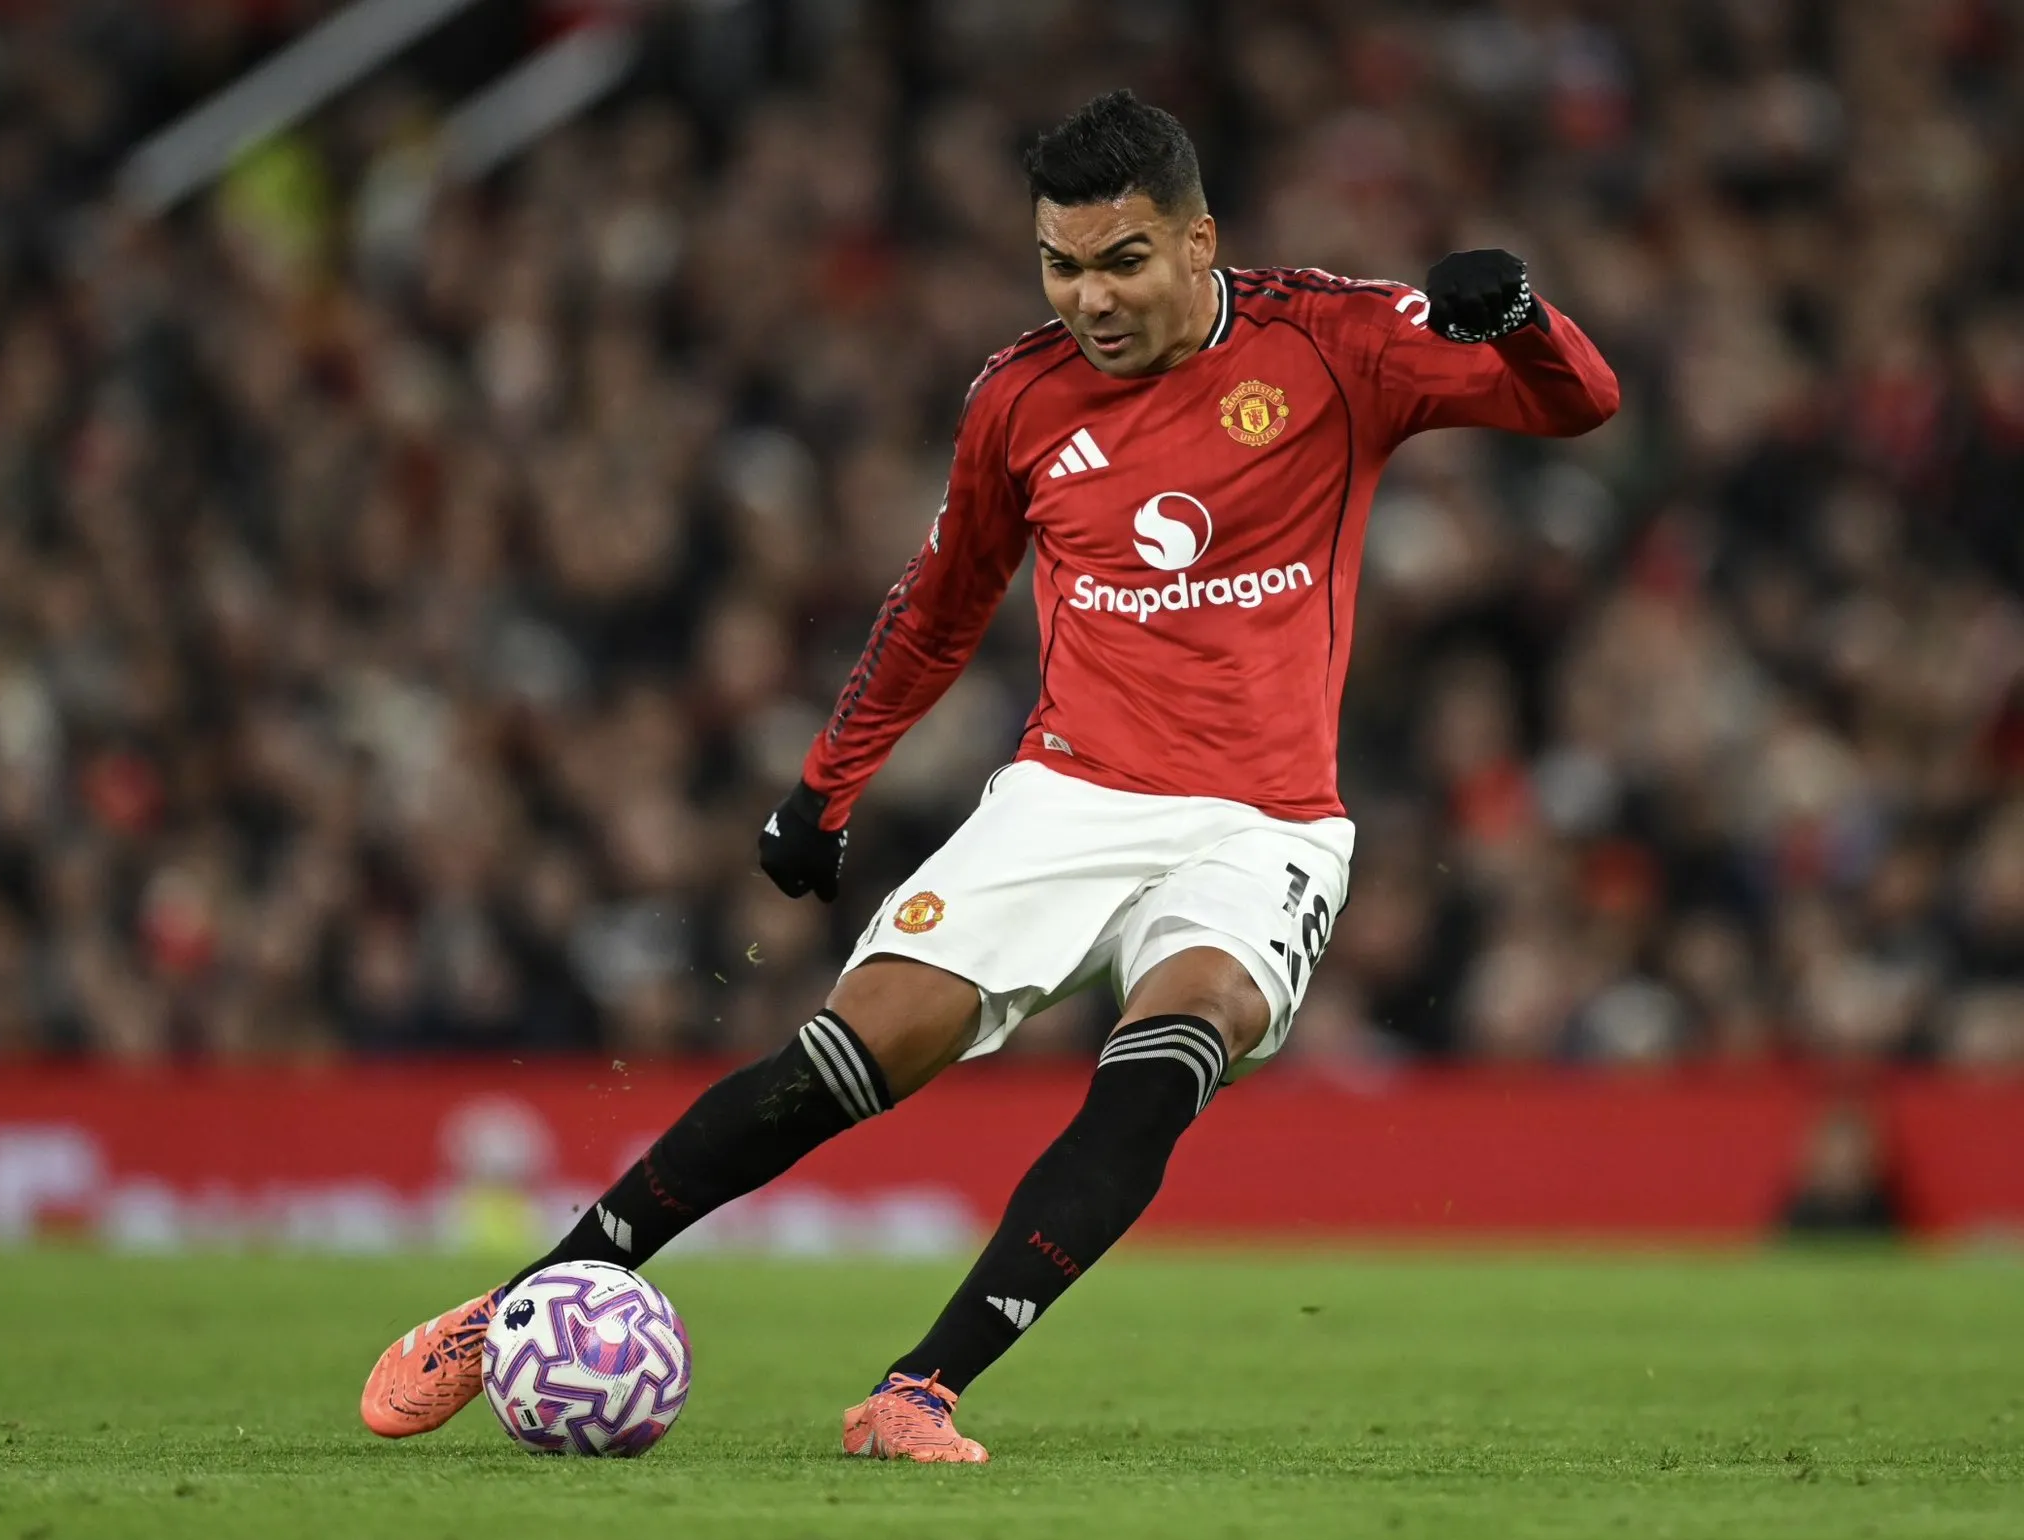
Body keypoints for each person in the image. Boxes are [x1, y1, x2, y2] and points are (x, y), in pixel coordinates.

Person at [360, 88, 1618, 1463]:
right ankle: (519, 1306)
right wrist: (825, 788)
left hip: (1265, 824)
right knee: (853, 1053)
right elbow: (939, 607)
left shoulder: (1333, 341)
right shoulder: (1019, 399)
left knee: (1166, 1058)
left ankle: (918, 1390)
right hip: (1067, 797)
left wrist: (1522, 320)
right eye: (1061, 266)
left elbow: (1580, 403)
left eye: (1122, 261)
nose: (1091, 299)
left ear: (1200, 241)